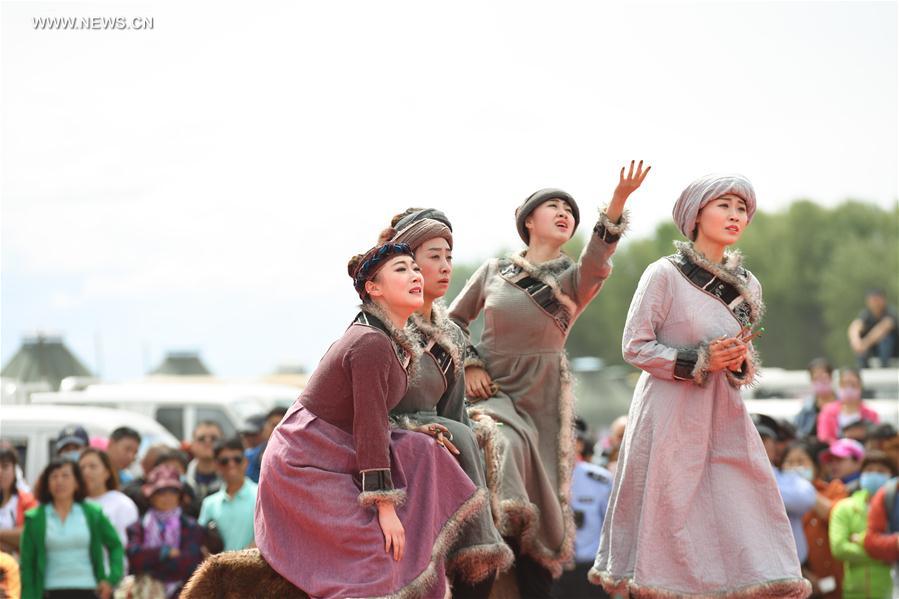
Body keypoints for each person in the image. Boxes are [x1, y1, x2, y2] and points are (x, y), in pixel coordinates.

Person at [591, 174, 810, 597]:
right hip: (670, 408)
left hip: (724, 412)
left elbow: (743, 357)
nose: (735, 215)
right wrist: (700, 359)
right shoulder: (664, 274)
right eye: (724, 205)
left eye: (741, 208)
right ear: (696, 214)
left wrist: (738, 362)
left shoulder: (749, 284)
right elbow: (634, 346)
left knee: (740, 502)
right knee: (670, 506)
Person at [449, 163, 648, 597]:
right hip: (493, 389)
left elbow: (599, 257)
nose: (563, 213)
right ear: (528, 220)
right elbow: (453, 322)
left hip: (543, 394)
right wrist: (470, 363)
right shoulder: (494, 270)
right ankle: (482, 544)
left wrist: (617, 201)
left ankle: (523, 572)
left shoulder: (574, 279)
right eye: (552, 206)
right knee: (497, 441)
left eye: (569, 210)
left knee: (541, 505)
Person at [255, 241, 487, 599]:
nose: (415, 275)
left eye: (414, 268)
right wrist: (385, 507)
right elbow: (369, 423)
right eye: (401, 270)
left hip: (339, 451)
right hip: (306, 461)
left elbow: (378, 420)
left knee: (427, 450)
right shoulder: (370, 342)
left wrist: (415, 430)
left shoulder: (394, 340)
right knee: (375, 557)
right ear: (373, 289)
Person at [384, 208, 512, 597]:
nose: (444, 267)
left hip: (450, 449)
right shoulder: (380, 328)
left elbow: (454, 412)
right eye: (433, 256)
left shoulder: (452, 333)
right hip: (395, 452)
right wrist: (413, 430)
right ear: (405, 264)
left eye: (448, 257)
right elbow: (366, 409)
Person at [20, 458, 123, 599]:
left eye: (65, 476)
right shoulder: (35, 518)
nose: (59, 481)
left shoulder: (93, 513)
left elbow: (116, 545)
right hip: (49, 592)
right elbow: (27, 564)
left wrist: (111, 579)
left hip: (89, 590)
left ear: (77, 482)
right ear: (47, 484)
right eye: (54, 476)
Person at [124, 464, 205, 598]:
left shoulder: (191, 527)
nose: (167, 497)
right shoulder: (138, 526)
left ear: (179, 496)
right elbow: (134, 558)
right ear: (151, 496)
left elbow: (189, 563)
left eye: (172, 492)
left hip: (182, 593)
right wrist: (164, 552)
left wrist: (149, 564)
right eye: (161, 492)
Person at [553, 419, 612, 599]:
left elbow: (610, 528)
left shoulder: (600, 480)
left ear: (580, 444)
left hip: (590, 572)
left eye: (573, 439)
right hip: (555, 571)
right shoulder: (544, 477)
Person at [782, 440, 846, 599]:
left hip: (834, 580)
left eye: (801, 462)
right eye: (789, 462)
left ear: (815, 467)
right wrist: (804, 574)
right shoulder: (780, 499)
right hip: (799, 578)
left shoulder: (833, 489)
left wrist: (805, 492)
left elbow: (836, 517)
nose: (795, 467)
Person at [828, 450, 897, 598]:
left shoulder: (895, 509)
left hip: (890, 589)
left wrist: (861, 541)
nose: (874, 474)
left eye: (881, 471)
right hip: (855, 591)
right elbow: (839, 548)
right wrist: (884, 553)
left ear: (891, 476)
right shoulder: (844, 507)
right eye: (869, 470)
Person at [756, 418, 817, 567]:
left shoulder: (788, 478)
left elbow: (805, 499)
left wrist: (756, 488)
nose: (755, 443)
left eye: (763, 439)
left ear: (774, 448)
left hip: (789, 568)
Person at [198, 437, 257, 551]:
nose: (231, 464)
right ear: (217, 465)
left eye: (237, 459)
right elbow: (201, 543)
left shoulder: (261, 495)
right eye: (224, 461)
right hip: (219, 568)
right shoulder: (209, 504)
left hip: (254, 568)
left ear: (245, 462)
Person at [78, 448, 139, 549]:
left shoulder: (123, 504)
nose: (86, 472)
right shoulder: (73, 504)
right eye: (82, 468)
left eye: (93, 467)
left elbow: (127, 546)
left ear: (107, 472)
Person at [817, 367, 879, 445]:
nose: (848, 389)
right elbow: (824, 438)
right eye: (844, 384)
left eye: (853, 385)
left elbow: (875, 440)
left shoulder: (871, 415)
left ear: (860, 387)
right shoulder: (827, 412)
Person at [848, 289, 898, 368]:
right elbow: (856, 326)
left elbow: (882, 328)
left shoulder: (891, 313)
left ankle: (884, 367)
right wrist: (856, 342)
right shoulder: (866, 314)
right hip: (871, 349)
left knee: (885, 339)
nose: (875, 303)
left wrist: (864, 344)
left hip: (892, 351)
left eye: (876, 300)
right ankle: (862, 367)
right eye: (872, 300)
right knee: (861, 338)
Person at [0, 448, 37, 556]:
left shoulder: (27, 500)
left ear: (15, 470)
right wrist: (11, 539)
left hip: (17, 566)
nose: (0, 472)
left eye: (5, 466)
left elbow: (30, 534)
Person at [794, 358, 837, 439]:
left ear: (831, 377)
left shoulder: (843, 404)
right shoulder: (807, 408)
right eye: (816, 378)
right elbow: (799, 433)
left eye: (823, 378)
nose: (820, 382)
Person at [244, 408, 287, 484]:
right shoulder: (247, 458)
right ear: (264, 428)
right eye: (274, 425)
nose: (277, 430)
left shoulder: (296, 460)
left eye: (282, 425)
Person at [185, 421, 224, 503]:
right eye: (201, 439)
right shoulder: (183, 477)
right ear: (192, 445)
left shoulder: (232, 478)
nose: (208, 442)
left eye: (214, 438)